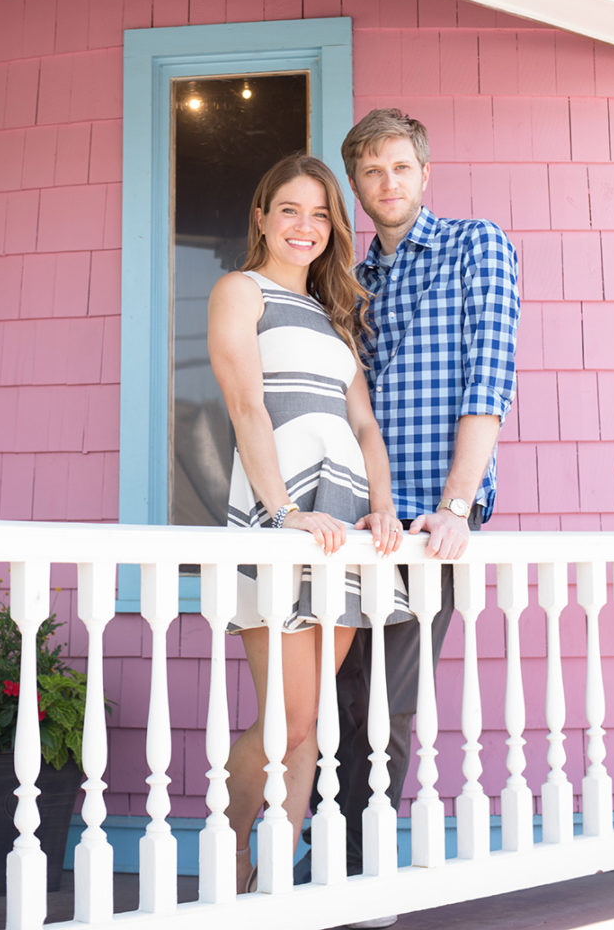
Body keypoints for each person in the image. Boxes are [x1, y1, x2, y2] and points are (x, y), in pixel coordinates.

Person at [302, 109, 520, 929]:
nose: (387, 184)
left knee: (389, 706)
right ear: (355, 188)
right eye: (370, 173)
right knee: (344, 699)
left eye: (400, 167)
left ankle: (367, 872)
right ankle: (335, 855)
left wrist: (459, 506)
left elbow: (487, 379)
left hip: (430, 529)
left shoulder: (476, 245)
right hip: (358, 521)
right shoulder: (357, 279)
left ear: (424, 173)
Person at [207, 153, 412, 894]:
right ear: (261, 216)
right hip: (287, 519)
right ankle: (230, 848)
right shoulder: (241, 290)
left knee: (313, 726)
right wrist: (283, 510)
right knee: (287, 723)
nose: (305, 226)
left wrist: (380, 509)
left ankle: (273, 884)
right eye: (289, 209)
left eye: (321, 213)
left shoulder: (336, 317)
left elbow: (363, 423)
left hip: (346, 528)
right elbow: (245, 404)